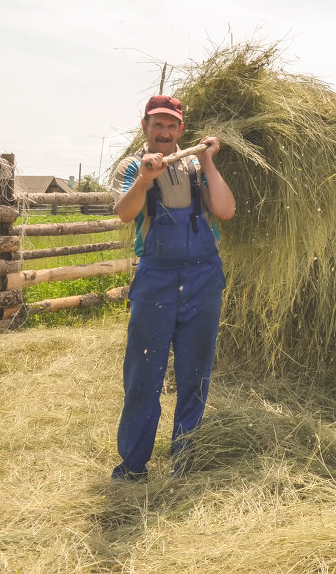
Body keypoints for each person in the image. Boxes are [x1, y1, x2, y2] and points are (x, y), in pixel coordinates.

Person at [109, 94, 236, 480]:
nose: (164, 132)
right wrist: (146, 179)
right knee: (144, 377)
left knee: (195, 374)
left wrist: (210, 161)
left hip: (203, 277)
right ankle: (133, 467)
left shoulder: (196, 164)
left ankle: (187, 461)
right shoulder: (132, 167)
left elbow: (226, 210)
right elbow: (125, 213)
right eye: (157, 124)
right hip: (156, 280)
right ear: (145, 127)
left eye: (171, 125)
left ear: (181, 129)